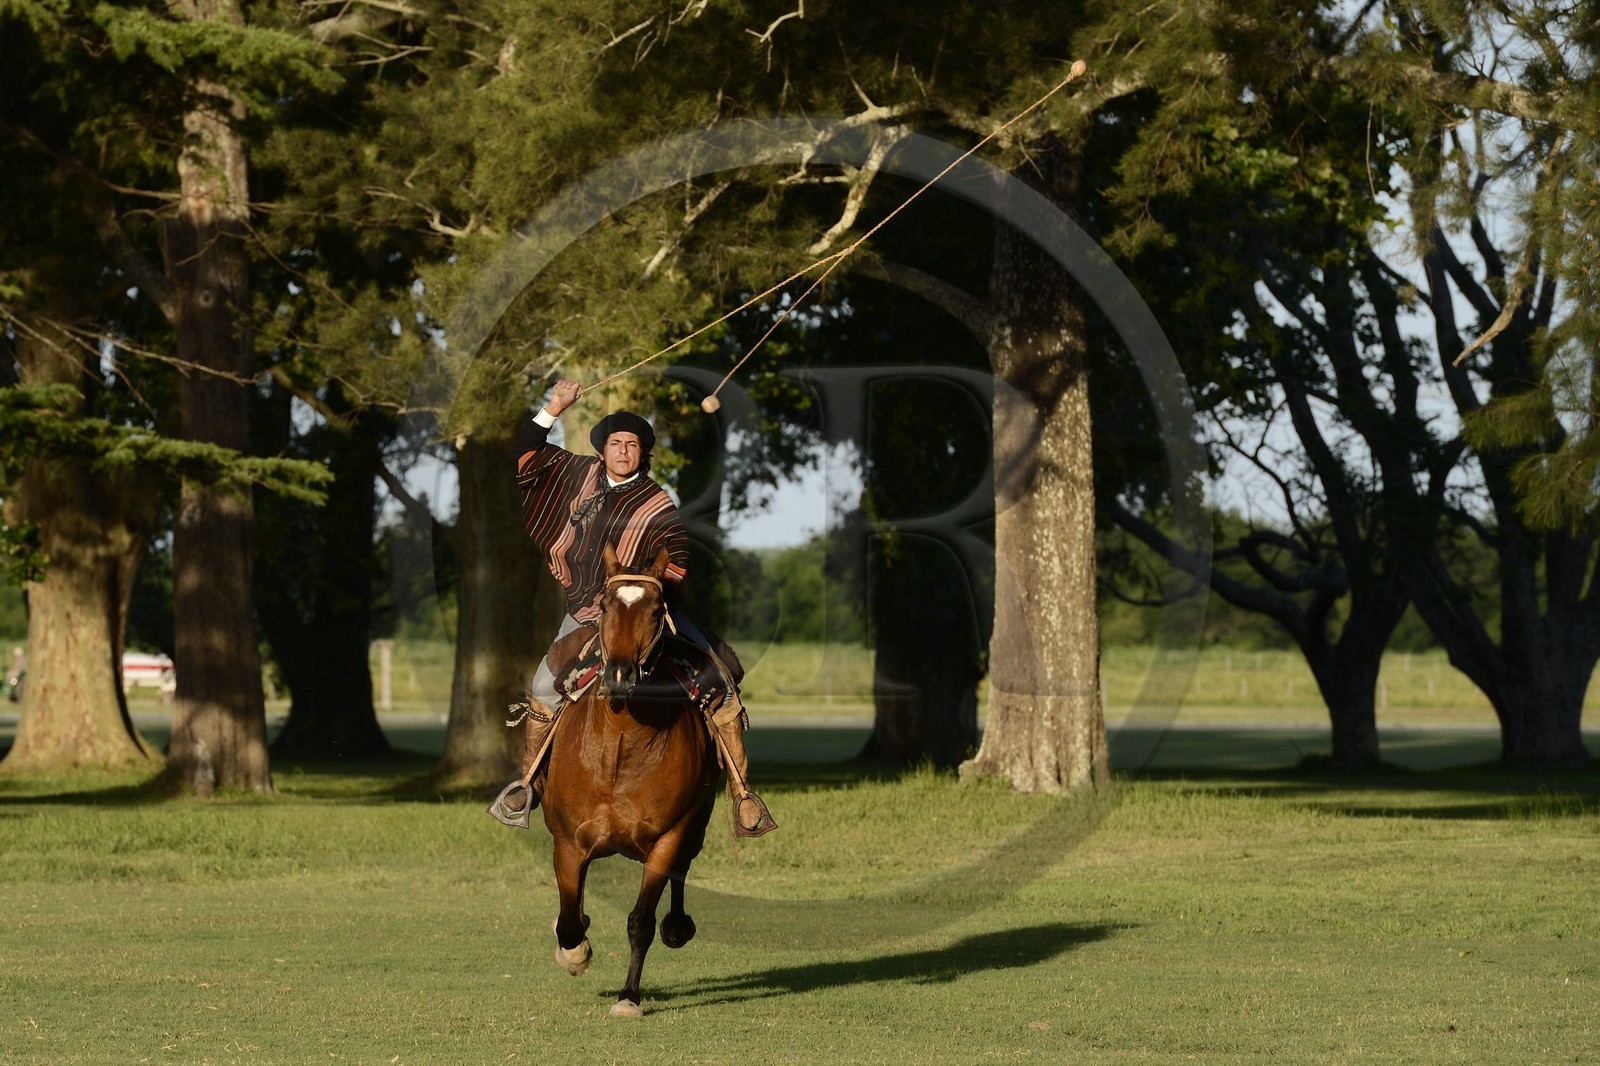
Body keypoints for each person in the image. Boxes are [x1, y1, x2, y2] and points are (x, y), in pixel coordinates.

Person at [487, 378, 776, 837]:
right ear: (602, 450)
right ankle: (528, 786)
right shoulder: (572, 473)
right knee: (544, 684)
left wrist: (654, 597)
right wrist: (556, 405)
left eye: (633, 445)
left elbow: (678, 556)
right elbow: (525, 453)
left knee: (720, 678)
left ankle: (743, 795)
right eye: (616, 443)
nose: (624, 451)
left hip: (650, 614)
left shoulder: (657, 502)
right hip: (587, 612)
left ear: (643, 454)